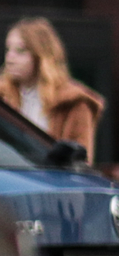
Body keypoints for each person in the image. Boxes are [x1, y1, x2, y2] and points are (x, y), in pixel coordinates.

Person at [0, 18, 102, 158]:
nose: (9, 58)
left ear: (41, 55)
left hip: (49, 179)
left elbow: (79, 165)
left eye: (20, 50)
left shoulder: (74, 102)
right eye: (8, 49)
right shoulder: (3, 97)